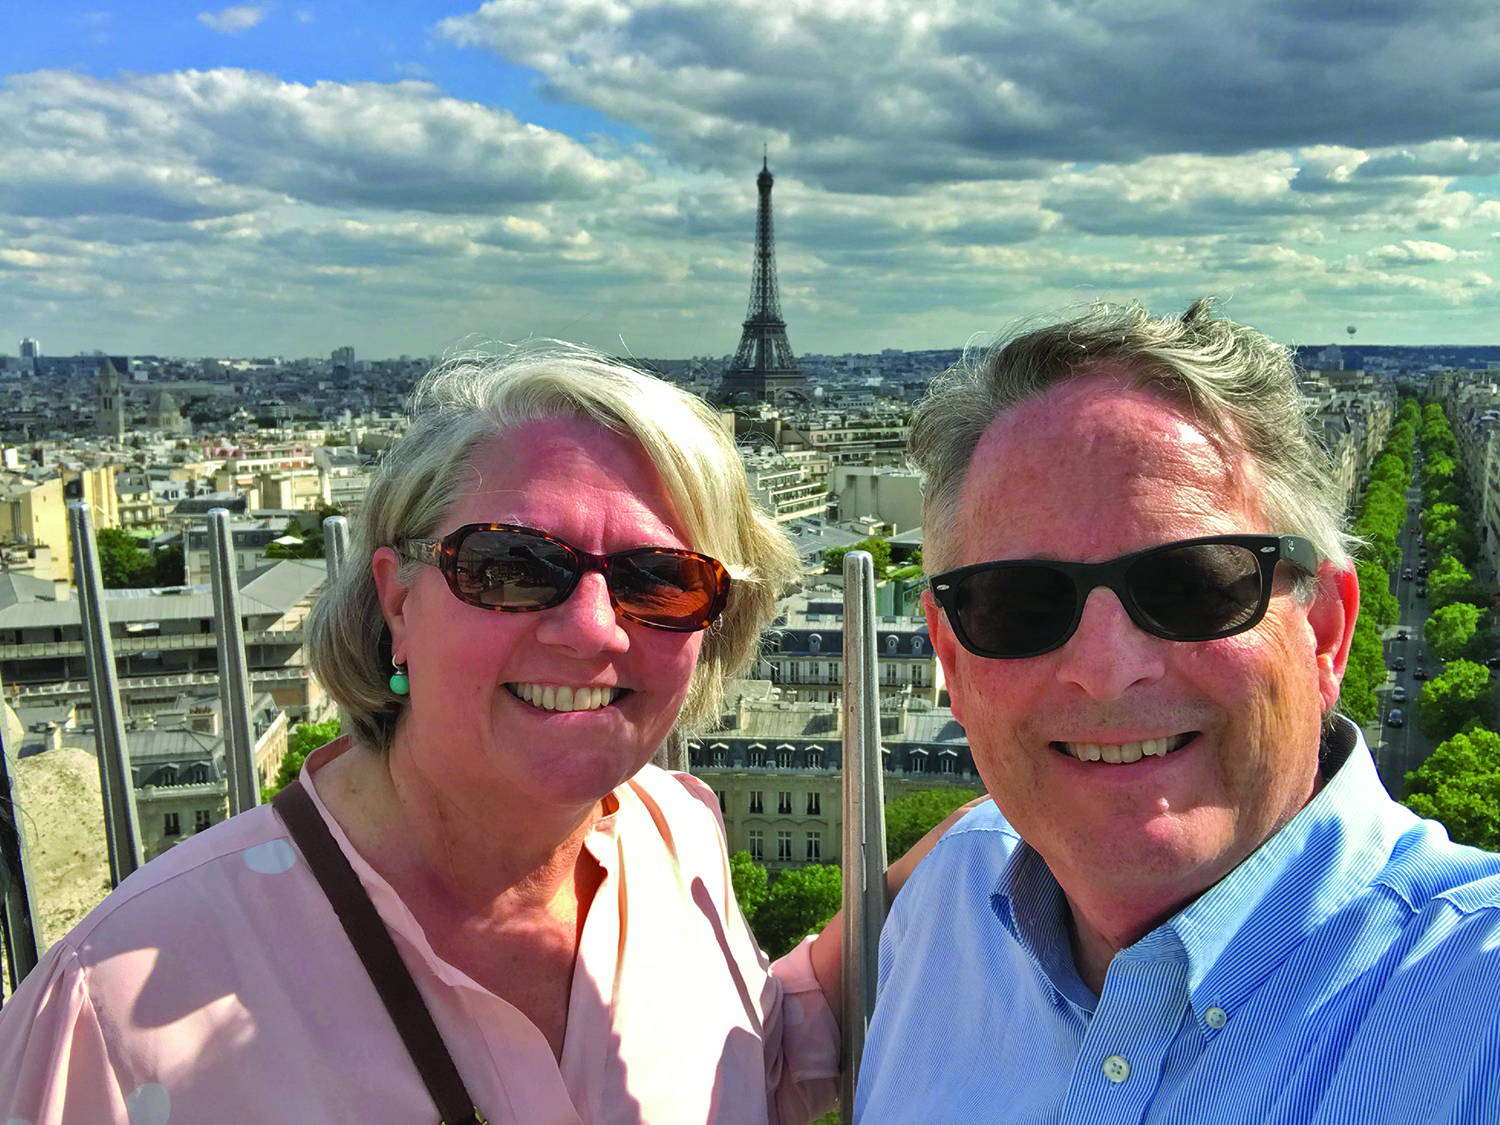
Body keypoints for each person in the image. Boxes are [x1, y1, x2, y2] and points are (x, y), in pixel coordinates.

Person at [0, 347, 889, 1124]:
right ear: (397, 598)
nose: (591, 628)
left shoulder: (676, 831)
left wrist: (989, 832)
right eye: (509, 564)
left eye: (661, 579)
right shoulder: (106, 1011)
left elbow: (739, 1065)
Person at [855, 301, 1500, 1122]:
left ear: (1327, 632)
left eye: (1194, 585)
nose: (1105, 671)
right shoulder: (946, 905)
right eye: (1017, 603)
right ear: (950, 654)